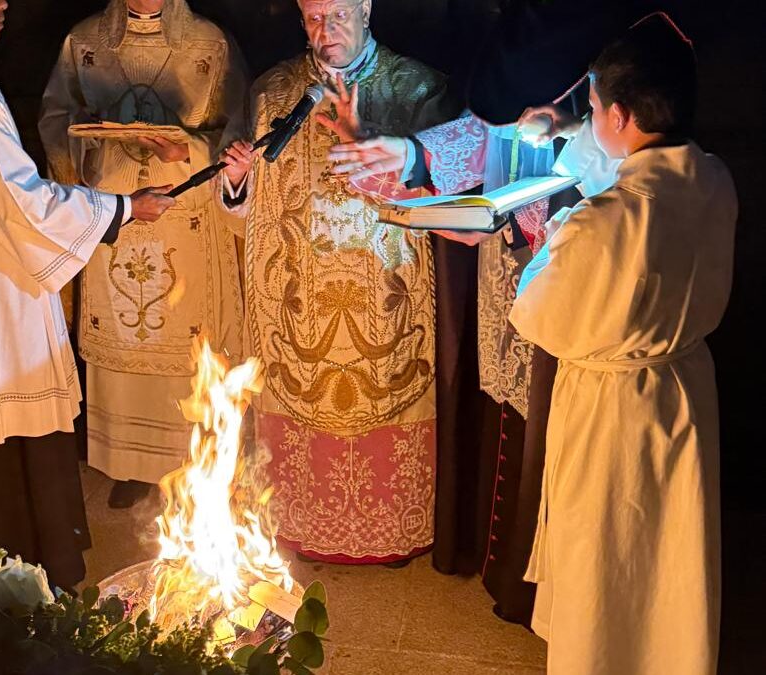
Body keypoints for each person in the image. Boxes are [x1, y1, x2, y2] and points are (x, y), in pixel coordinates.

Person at [328, 0, 643, 621]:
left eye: (535, 113)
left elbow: (606, 214)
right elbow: (473, 138)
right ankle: (500, 568)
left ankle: (539, 594)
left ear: (579, 90)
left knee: (546, 437)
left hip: (572, 314)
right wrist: (403, 151)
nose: (524, 123)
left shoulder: (620, 122)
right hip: (507, 285)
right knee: (504, 419)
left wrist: (532, 222)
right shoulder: (518, 76)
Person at [0, 0, 175, 587]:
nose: (1, 3)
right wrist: (127, 207)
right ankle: (13, 579)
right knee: (2, 428)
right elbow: (23, 205)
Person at [510, 14, 733, 674]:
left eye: (597, 109)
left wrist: (539, 243)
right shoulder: (715, 178)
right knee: (670, 559)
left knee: (606, 563)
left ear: (622, 114)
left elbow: (541, 314)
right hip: (684, 395)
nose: (592, 120)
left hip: (612, 415)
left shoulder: (602, 220)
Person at [218, 0, 454, 565]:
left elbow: (445, 192)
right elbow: (239, 211)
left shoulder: (417, 87)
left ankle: (391, 534)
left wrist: (379, 148)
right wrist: (235, 181)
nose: (327, 30)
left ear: (367, 8)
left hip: (385, 290)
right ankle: (296, 528)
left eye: (340, 14)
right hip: (303, 293)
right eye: (315, 17)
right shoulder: (272, 92)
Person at [39, 0, 248, 509]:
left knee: (187, 344)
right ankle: (130, 465)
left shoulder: (210, 44)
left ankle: (191, 464)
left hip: (187, 220)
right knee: (125, 347)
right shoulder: (84, 43)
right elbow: (55, 121)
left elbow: (241, 133)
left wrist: (188, 151)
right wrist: (94, 142)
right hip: (115, 216)